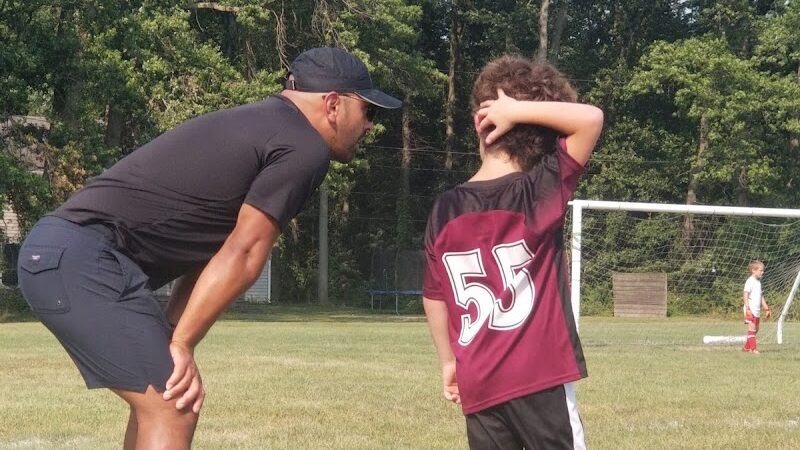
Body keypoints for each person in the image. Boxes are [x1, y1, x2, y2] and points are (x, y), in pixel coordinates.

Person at [16, 47, 401, 449]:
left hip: (67, 252)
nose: (371, 126)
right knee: (175, 402)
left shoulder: (263, 124)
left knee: (163, 398)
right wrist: (180, 345)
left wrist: (175, 337)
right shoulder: (305, 146)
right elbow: (246, 253)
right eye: (369, 112)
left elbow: (210, 256)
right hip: (84, 257)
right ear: (334, 104)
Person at [421, 55, 603, 450]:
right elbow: (590, 119)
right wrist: (519, 111)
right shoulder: (538, 192)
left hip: (479, 381)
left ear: (478, 124)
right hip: (539, 376)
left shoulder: (444, 208)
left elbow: (434, 297)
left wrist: (448, 362)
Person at [743, 260, 771, 353]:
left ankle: (746, 348)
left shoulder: (758, 282)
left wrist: (766, 308)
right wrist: (747, 308)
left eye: (763, 271)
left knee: (756, 329)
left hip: (757, 310)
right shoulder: (750, 281)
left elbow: (760, 296)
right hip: (750, 309)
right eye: (761, 270)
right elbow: (745, 294)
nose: (762, 272)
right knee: (752, 329)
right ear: (753, 270)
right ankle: (753, 349)